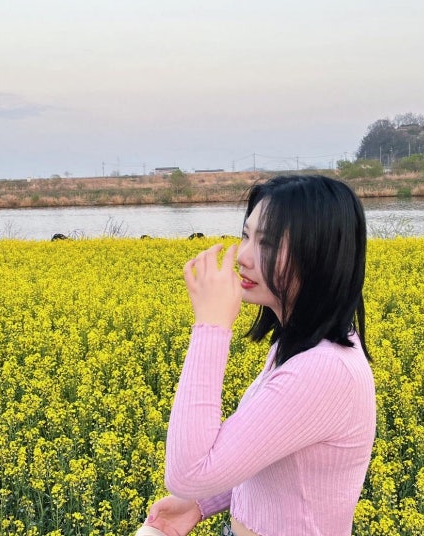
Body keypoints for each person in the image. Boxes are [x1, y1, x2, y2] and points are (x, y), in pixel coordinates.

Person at [142, 175, 376, 536]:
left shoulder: (323, 370)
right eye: (246, 236)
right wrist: (203, 503)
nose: (243, 257)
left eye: (267, 243)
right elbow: (273, 453)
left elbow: (186, 474)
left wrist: (211, 324)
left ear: (319, 255)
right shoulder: (299, 346)